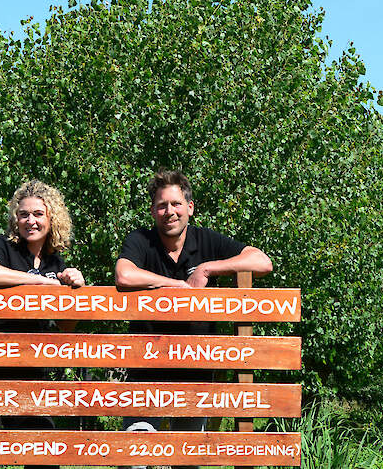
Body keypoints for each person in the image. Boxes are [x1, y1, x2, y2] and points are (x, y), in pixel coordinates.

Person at [115, 170, 273, 442]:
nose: (169, 212)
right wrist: (176, 285)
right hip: (146, 366)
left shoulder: (206, 240)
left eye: (176, 204)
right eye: (162, 205)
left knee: (189, 450)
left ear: (189, 207)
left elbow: (262, 262)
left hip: (196, 367)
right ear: (153, 211)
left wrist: (208, 268)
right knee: (135, 445)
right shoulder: (141, 240)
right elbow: (124, 275)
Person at [0, 180, 84, 469]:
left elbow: (69, 328)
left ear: (51, 217)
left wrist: (75, 287)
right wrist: (42, 282)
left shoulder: (57, 263)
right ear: (15, 219)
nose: (30, 221)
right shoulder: (2, 246)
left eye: (38, 214)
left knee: (42, 452)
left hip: (32, 368)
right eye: (24, 214)